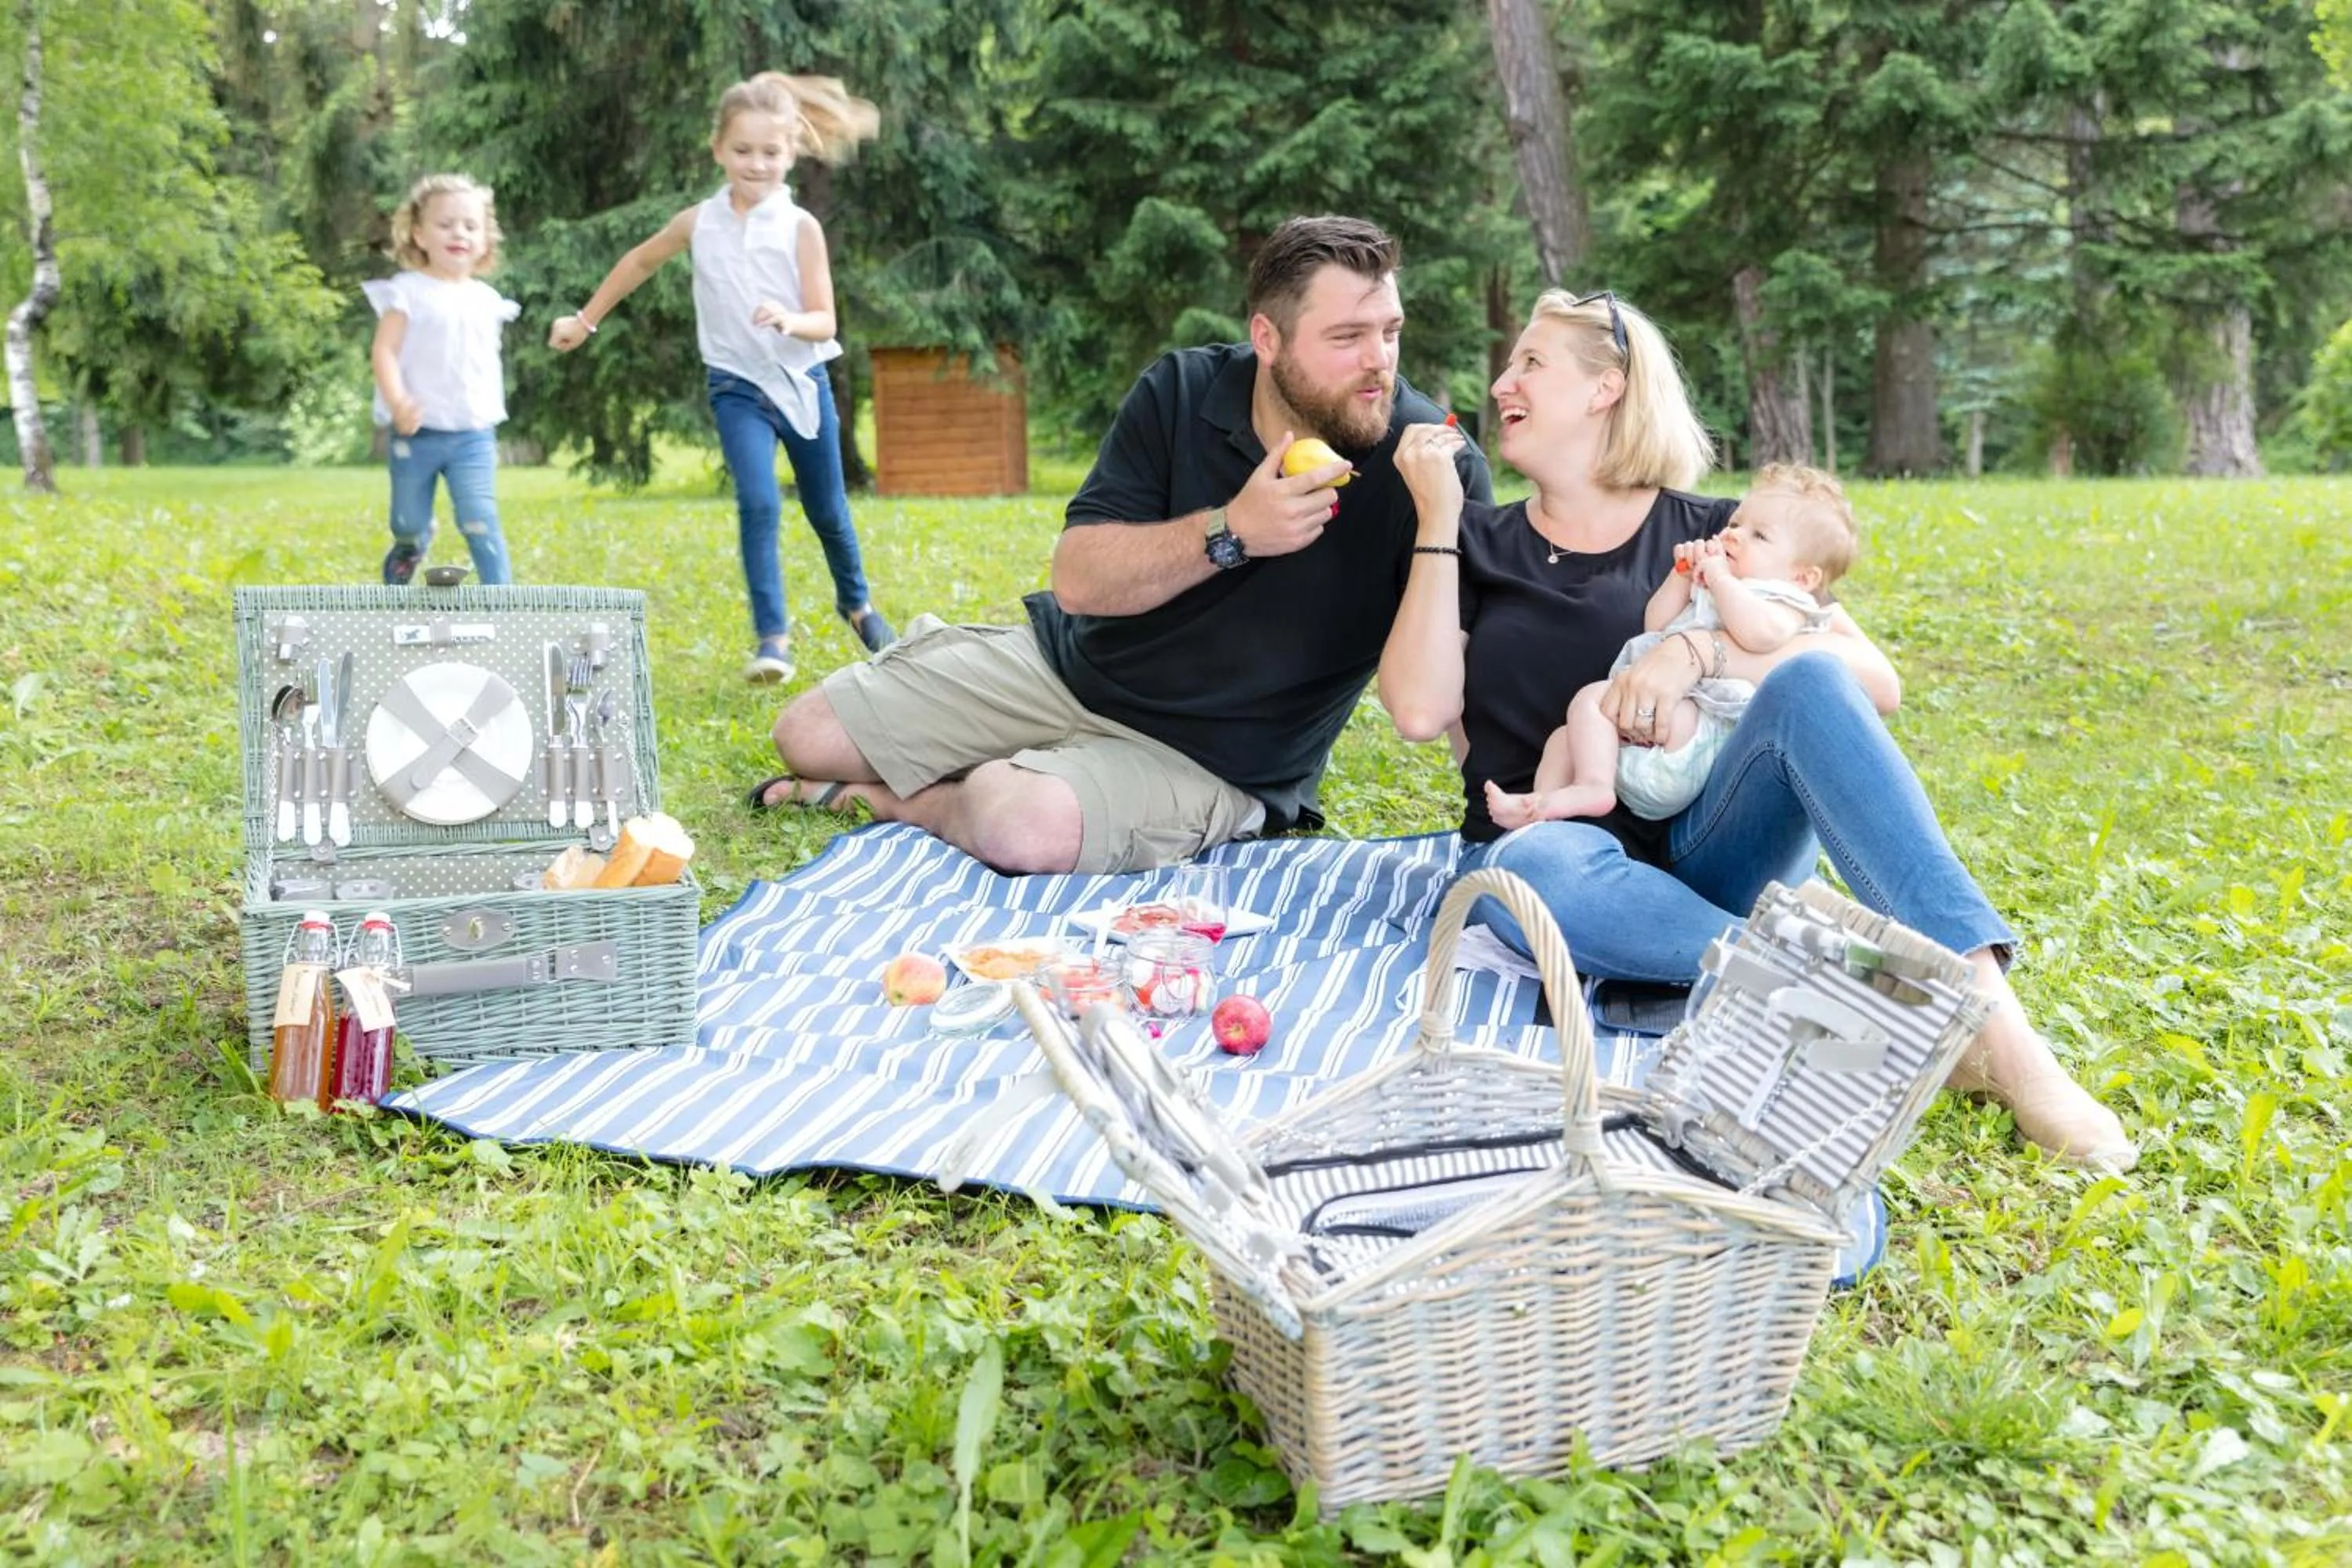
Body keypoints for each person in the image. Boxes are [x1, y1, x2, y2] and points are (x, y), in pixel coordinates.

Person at [1378, 288, 2136, 1173]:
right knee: (1533, 868)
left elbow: (1871, 682)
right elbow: (1421, 709)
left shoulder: (1718, 531)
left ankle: (2003, 1039)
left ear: (1605, 388)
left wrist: (1696, 653)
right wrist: (1435, 519)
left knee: (1809, 675)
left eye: (1531, 362)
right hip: (1561, 853)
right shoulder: (1474, 540)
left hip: (1713, 839)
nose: (1503, 380)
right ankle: (1851, 985)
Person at [752, 214, 1494, 875]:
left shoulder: (1430, 467)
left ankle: (911, 803)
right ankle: (1003, 741)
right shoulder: (1182, 392)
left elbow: (1463, 680)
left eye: (1390, 332)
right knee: (806, 733)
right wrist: (1230, 531)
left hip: (1210, 761)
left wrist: (1503, 822)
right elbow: (1077, 580)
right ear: (1267, 339)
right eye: (1348, 338)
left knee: (1018, 822)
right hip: (1069, 673)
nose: (1380, 362)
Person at [549, 71, 896, 683]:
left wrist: (791, 319)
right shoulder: (698, 221)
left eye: (770, 152)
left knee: (828, 511)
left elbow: (825, 319)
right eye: (742, 151)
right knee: (758, 502)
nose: (756, 164)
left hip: (801, 383)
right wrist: (585, 320)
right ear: (718, 150)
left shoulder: (800, 228)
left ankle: (858, 604)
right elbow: (640, 261)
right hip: (737, 387)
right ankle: (773, 640)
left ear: (791, 153)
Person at [1486, 463, 1856, 830]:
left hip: (1701, 733)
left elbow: (1761, 635)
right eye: (1735, 524)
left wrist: (1719, 579)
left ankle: (1592, 787)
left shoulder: (1782, 600)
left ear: (1803, 577)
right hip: (1652, 732)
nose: (1734, 535)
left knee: (1591, 700)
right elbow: (1656, 626)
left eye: (1760, 536)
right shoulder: (1716, 582)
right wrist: (1680, 577)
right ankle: (1538, 818)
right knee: (1565, 739)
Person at [364, 174, 521, 586]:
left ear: (485, 240)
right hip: (416, 433)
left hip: (472, 434)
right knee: (407, 524)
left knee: (479, 519)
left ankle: (503, 603)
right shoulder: (407, 292)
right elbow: (384, 351)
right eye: (445, 224)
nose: (459, 234)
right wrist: (398, 401)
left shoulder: (487, 300)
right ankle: (405, 563)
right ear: (419, 234)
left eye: (471, 226)